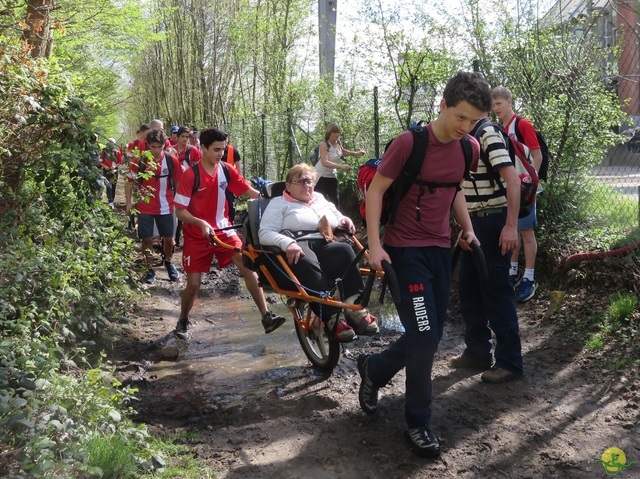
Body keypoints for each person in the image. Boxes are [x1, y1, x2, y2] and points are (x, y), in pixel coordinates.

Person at [357, 71, 491, 458]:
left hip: (438, 249)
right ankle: (418, 422)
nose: (465, 127)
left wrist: (467, 230)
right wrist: (376, 246)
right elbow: (377, 189)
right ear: (443, 106)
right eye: (460, 117)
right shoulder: (408, 143)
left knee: (425, 334)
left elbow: (455, 192)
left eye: (473, 121)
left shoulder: (469, 148)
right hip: (404, 251)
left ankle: (375, 370)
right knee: (426, 337)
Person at [173, 127, 285, 339]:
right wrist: (200, 223)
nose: (221, 154)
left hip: (224, 229)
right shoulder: (191, 175)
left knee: (247, 265)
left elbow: (248, 191)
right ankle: (183, 319)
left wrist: (274, 199)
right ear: (203, 148)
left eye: (223, 150)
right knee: (194, 284)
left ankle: (266, 316)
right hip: (197, 235)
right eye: (216, 150)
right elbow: (180, 211)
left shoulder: (226, 170)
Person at [258, 163, 379, 342]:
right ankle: (331, 318)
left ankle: (355, 309)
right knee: (305, 259)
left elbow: (335, 215)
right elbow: (265, 232)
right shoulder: (279, 203)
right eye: (301, 181)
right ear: (288, 185)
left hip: (324, 242)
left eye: (309, 181)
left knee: (345, 250)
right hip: (297, 244)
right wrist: (287, 243)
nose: (307, 185)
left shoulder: (319, 198)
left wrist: (343, 220)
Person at [451, 116, 524, 384]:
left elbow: (512, 180)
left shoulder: (488, 133)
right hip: (475, 225)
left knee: (496, 291)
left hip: (494, 223)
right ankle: (478, 352)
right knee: (469, 289)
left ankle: (510, 362)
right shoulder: (464, 135)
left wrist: (511, 226)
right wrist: (466, 226)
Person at [492, 86, 542, 302]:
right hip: (509, 189)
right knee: (511, 229)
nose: (495, 108)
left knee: (526, 232)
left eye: (499, 104)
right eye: (492, 105)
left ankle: (529, 277)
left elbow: (537, 155)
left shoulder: (522, 124)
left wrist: (530, 184)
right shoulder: (498, 127)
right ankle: (512, 272)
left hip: (526, 189)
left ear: (509, 102)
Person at [125, 129, 182, 284]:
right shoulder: (140, 161)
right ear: (147, 145)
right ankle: (149, 268)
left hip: (167, 206)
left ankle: (169, 262)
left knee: (169, 239)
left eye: (159, 146)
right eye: (153, 146)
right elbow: (129, 181)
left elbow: (178, 181)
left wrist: (180, 202)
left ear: (164, 145)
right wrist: (129, 202)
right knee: (146, 239)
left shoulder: (171, 160)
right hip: (145, 206)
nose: (156, 150)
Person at [314, 122, 365, 207]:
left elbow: (343, 152)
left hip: (332, 176)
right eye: (334, 132)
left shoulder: (338, 144)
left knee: (335, 202)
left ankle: (336, 220)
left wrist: (357, 153)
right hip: (320, 177)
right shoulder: (324, 144)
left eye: (338, 132)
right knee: (320, 203)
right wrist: (341, 166)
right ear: (329, 133)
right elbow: (324, 162)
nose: (336, 134)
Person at [174, 126, 203, 246]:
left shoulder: (193, 151)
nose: (185, 139)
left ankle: (187, 236)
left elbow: (200, 165)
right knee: (176, 210)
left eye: (187, 137)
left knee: (188, 210)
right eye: (183, 136)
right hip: (173, 185)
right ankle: (174, 237)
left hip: (190, 185)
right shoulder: (170, 150)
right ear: (177, 137)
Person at [222, 134, 242, 222]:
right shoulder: (214, 150)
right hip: (217, 181)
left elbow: (238, 167)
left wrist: (239, 182)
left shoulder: (233, 150)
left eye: (226, 140)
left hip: (230, 181)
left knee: (230, 203)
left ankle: (231, 222)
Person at [99, 138, 123, 208]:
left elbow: (119, 162)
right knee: (108, 185)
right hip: (106, 170)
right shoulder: (104, 151)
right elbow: (100, 161)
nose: (110, 143)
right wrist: (105, 166)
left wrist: (115, 166)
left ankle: (112, 199)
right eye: (109, 142)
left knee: (113, 185)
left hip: (114, 171)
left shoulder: (117, 152)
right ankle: (110, 201)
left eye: (112, 142)